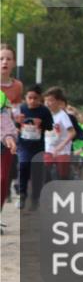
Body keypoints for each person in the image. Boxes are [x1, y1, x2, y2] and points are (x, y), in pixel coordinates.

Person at [13, 84, 50, 210]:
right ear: (26, 98)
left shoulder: (44, 111)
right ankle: (22, 194)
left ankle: (36, 197)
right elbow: (13, 125)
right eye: (30, 98)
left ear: (40, 99)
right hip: (23, 144)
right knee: (23, 166)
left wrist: (42, 124)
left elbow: (50, 126)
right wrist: (18, 122)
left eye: (35, 98)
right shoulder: (21, 109)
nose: (32, 101)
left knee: (36, 171)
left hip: (38, 146)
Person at [0, 43, 23, 208]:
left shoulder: (17, 86)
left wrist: (18, 116)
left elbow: (11, 111)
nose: (4, 62)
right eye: (1, 58)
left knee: (2, 178)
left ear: (14, 63)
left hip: (7, 135)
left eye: (8, 59)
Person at [42, 87, 76, 180]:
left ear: (59, 102)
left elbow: (72, 132)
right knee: (46, 173)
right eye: (46, 101)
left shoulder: (62, 115)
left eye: (50, 100)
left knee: (62, 175)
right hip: (49, 149)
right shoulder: (46, 115)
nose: (47, 103)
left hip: (62, 151)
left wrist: (61, 145)